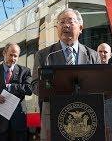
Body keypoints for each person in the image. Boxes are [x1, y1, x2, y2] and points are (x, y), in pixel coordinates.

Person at [31, 8, 101, 141]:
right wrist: (55, 87)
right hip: (54, 116)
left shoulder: (93, 55)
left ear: (81, 28)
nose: (66, 25)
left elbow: (99, 86)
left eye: (70, 21)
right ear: (57, 28)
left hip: (86, 117)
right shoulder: (44, 55)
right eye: (61, 22)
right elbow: (34, 85)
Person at [0, 43, 32, 141]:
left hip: (18, 124)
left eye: (15, 56)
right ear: (4, 53)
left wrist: (11, 87)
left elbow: (29, 89)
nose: (13, 59)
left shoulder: (25, 71)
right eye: (11, 55)